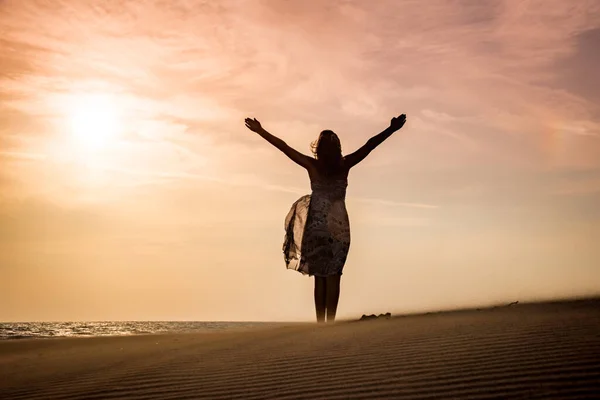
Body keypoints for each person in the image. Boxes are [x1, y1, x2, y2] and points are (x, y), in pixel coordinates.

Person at [244, 114, 407, 323]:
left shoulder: (313, 166)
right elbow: (370, 145)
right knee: (334, 274)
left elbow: (284, 148)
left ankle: (320, 322)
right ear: (337, 147)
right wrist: (391, 129)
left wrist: (261, 131)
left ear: (318, 148)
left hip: (316, 226)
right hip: (338, 226)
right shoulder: (345, 164)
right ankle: (330, 321)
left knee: (319, 276)